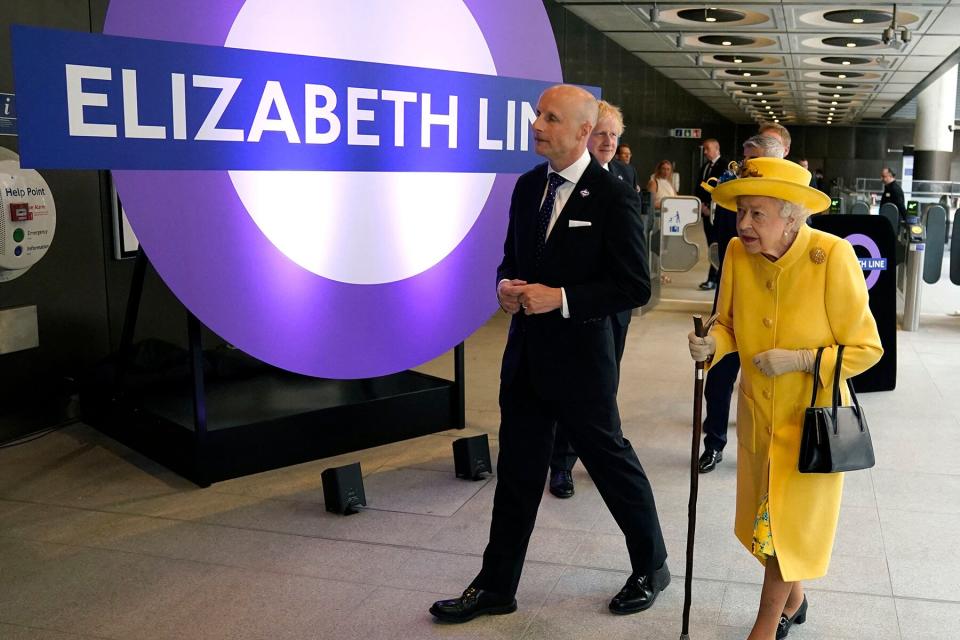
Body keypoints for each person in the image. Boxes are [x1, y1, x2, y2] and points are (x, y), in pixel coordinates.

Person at [429, 85, 669, 623]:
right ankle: (496, 586)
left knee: (610, 465)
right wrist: (503, 288)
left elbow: (634, 286)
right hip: (526, 359)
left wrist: (560, 299)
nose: (537, 124)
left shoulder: (611, 196)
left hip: (583, 363)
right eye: (538, 114)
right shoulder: (526, 187)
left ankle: (651, 566)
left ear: (584, 132)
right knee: (516, 473)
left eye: (551, 118)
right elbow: (511, 258)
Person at [688, 156, 882, 639]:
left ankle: (765, 623)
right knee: (766, 526)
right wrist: (713, 344)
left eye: (759, 214)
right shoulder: (736, 252)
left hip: (811, 423)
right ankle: (794, 602)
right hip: (759, 415)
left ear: (793, 217)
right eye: (742, 212)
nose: (745, 224)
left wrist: (800, 360)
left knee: (784, 530)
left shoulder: (832, 256)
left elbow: (867, 349)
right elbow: (729, 323)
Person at [548, 100, 638, 499]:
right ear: (585, 134)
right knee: (570, 390)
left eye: (614, 136)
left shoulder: (623, 176)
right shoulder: (564, 182)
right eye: (601, 133)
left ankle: (600, 456)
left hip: (614, 311)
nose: (608, 142)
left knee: (604, 389)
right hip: (572, 312)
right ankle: (562, 464)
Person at [699, 133, 786, 474]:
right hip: (735, 294)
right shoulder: (731, 194)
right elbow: (724, 237)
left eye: (753, 165)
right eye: (742, 164)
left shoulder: (791, 204)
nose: (742, 172)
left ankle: (774, 449)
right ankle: (714, 443)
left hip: (779, 304)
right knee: (720, 375)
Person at [695, 138, 728, 290]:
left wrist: (712, 207)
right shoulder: (705, 167)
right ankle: (713, 277)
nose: (705, 151)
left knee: (716, 245)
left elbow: (724, 189)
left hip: (717, 213)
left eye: (708, 148)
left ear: (717, 148)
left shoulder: (725, 166)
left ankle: (714, 278)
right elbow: (699, 187)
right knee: (710, 245)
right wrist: (700, 204)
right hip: (705, 212)